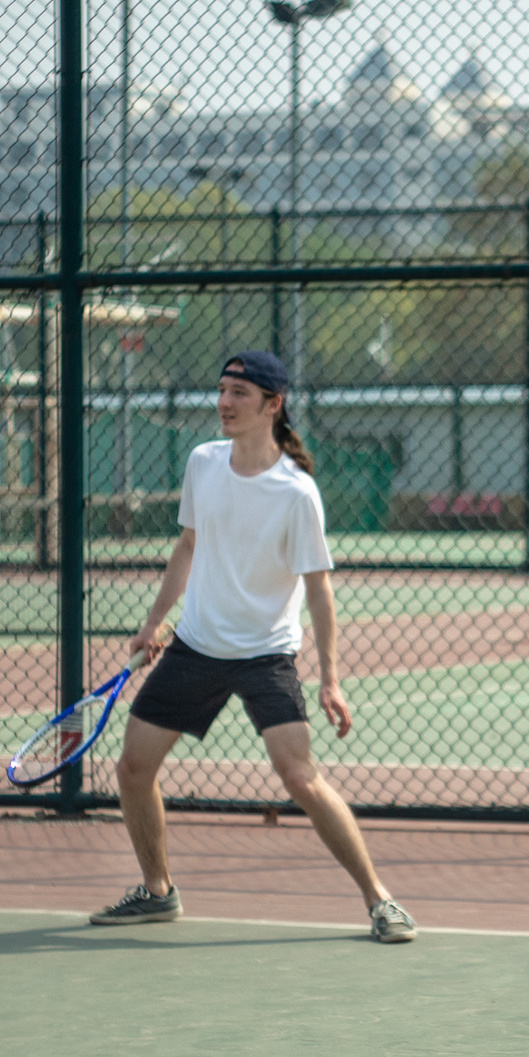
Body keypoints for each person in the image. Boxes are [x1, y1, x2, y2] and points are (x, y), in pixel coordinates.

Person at [90, 351, 417, 944]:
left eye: (239, 392)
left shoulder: (297, 494)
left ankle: (382, 901)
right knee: (134, 768)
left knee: (299, 777)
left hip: (267, 655)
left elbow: (319, 590)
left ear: (273, 405)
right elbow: (188, 545)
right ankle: (158, 892)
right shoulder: (203, 463)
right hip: (195, 646)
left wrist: (330, 678)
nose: (224, 402)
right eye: (221, 390)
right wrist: (155, 621)